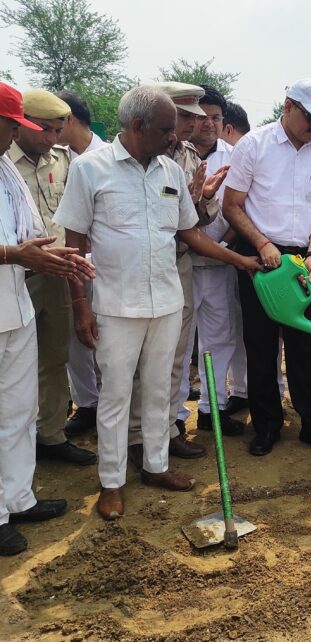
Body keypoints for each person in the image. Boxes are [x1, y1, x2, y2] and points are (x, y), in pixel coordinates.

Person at [54, 86, 259, 520]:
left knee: (160, 389)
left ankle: (156, 466)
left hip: (166, 301)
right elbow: (73, 243)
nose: (175, 136)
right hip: (115, 306)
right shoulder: (90, 169)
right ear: (137, 127)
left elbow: (191, 234)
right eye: (167, 128)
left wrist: (240, 259)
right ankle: (111, 483)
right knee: (115, 395)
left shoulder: (169, 170)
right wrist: (81, 307)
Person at [223, 77, 311, 457]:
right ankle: (267, 425)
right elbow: (233, 205)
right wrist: (261, 242)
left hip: (304, 261)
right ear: (288, 106)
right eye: (309, 117)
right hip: (261, 259)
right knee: (260, 346)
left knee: (306, 346)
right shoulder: (253, 146)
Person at [0, 82, 95, 555]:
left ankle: (22, 489)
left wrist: (65, 261)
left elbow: (51, 226)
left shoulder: (23, 168)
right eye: (48, 130)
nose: (58, 138)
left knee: (29, 391)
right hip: (14, 278)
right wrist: (14, 253)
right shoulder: (9, 162)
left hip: (33, 284)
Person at [126, 81, 225, 466]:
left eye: (193, 118)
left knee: (173, 356)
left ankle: (165, 432)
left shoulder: (185, 157)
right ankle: (134, 438)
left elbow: (195, 222)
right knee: (133, 360)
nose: (188, 126)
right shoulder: (130, 156)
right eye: (183, 117)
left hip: (177, 264)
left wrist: (202, 197)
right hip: (132, 269)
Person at [186, 85, 249, 431]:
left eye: (215, 118)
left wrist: (223, 246)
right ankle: (177, 417)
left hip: (221, 261)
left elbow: (240, 207)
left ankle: (214, 408)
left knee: (220, 337)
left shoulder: (236, 155)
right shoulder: (174, 154)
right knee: (181, 345)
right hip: (182, 263)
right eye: (202, 117)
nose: (208, 124)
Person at [56, 90, 106, 439]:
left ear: (69, 119)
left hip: (103, 263)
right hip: (67, 260)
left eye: (53, 123)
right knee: (78, 334)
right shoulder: (58, 158)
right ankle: (87, 404)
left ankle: (111, 404)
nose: (47, 131)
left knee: (106, 333)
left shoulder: (107, 158)